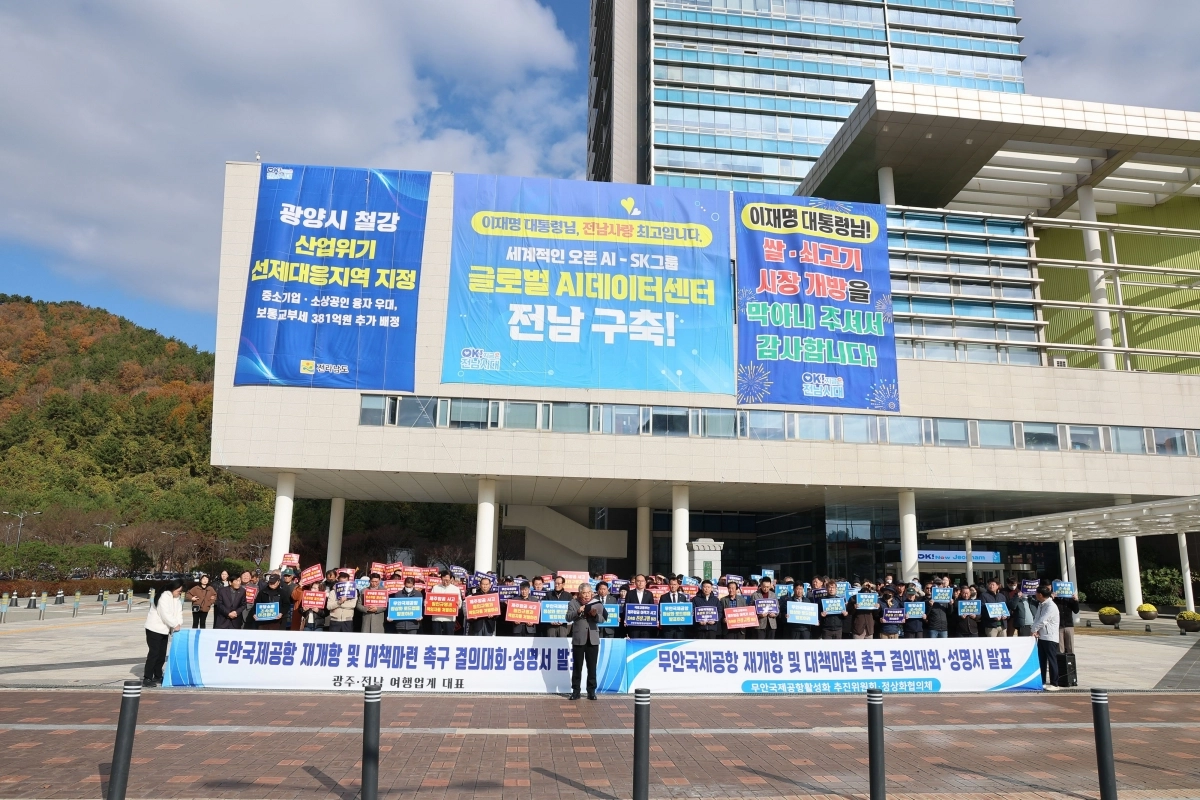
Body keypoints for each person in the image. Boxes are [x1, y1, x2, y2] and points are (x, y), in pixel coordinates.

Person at [566, 582, 607, 700]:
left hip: (593, 639)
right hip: (579, 639)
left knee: (592, 666)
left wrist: (595, 615)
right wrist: (578, 611)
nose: (587, 595)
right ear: (580, 593)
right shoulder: (573, 603)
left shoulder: (596, 603)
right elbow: (568, 617)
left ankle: (591, 691)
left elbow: (602, 619)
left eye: (589, 592)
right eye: (584, 593)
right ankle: (576, 691)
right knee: (577, 666)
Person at [143, 580, 183, 687]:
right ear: (173, 589)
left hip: (165, 631)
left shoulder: (177, 599)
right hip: (154, 629)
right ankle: (147, 678)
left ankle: (158, 676)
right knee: (154, 653)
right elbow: (165, 613)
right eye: (178, 591)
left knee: (161, 655)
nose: (179, 593)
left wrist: (179, 624)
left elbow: (179, 613)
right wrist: (174, 624)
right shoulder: (164, 596)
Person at [1031, 584, 1061, 690]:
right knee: (1041, 659)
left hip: (1050, 637)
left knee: (1051, 660)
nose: (1035, 595)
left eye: (1036, 593)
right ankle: (1042, 680)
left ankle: (1054, 683)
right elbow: (1037, 618)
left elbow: (1043, 620)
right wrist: (1034, 629)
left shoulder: (1051, 606)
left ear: (1040, 594)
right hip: (1042, 636)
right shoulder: (1041, 604)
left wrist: (1033, 630)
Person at [429, 571, 461, 636]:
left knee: (448, 639)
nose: (445, 582)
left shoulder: (455, 589)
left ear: (451, 579)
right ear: (441, 578)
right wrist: (427, 603)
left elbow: (459, 605)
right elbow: (430, 601)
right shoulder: (435, 588)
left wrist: (458, 604)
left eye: (447, 580)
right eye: (443, 580)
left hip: (449, 619)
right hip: (437, 618)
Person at [624, 575, 655, 639]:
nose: (640, 583)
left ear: (645, 582)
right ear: (635, 582)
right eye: (638, 581)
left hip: (646, 626)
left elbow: (652, 608)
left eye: (642, 581)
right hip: (633, 625)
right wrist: (626, 618)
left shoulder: (649, 594)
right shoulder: (630, 593)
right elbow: (626, 607)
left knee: (645, 643)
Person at [1054, 585, 1080, 654]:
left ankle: (1070, 662)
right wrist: (1052, 598)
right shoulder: (1054, 600)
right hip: (1059, 626)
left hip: (1069, 625)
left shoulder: (1069, 599)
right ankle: (1061, 662)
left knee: (1070, 646)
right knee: (1060, 647)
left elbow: (1076, 611)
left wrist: (1076, 601)